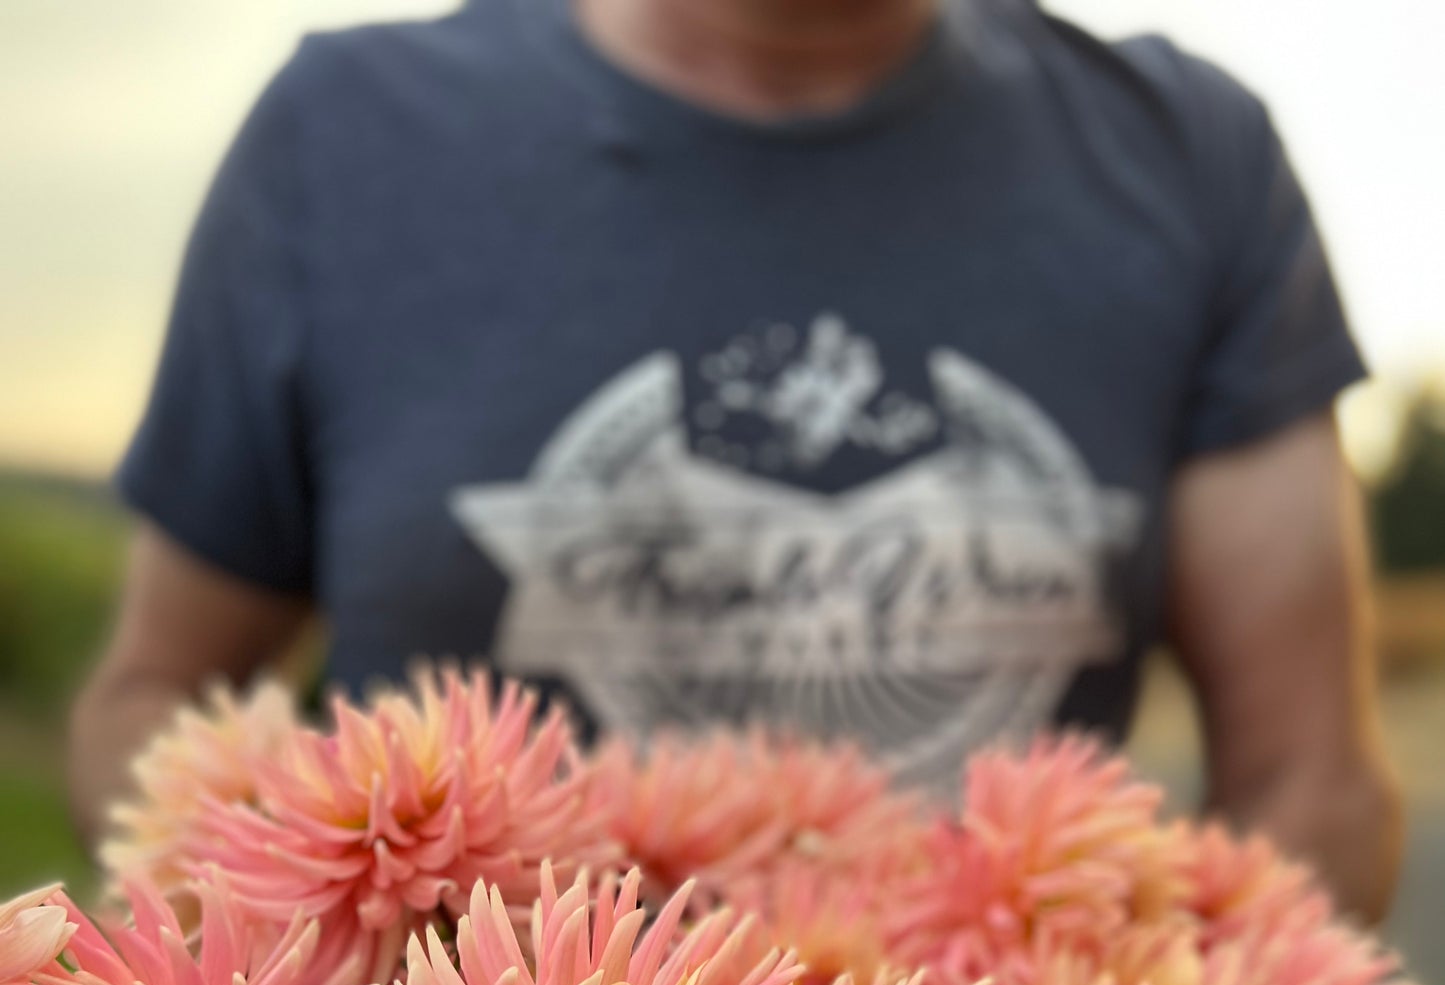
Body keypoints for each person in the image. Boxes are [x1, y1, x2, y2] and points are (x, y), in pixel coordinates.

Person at [70, 0, 1402, 920]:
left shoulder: (1189, 159)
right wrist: (275, 954)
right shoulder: (343, 138)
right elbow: (153, 697)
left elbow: (1310, 783)